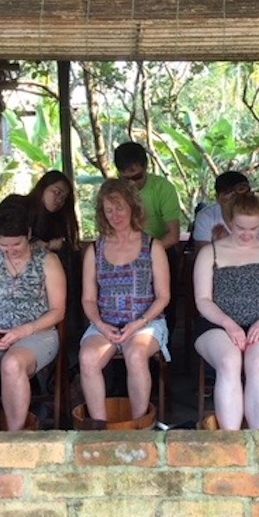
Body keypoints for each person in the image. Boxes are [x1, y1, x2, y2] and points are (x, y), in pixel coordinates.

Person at [0, 199, 66, 433]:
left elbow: (58, 311)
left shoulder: (47, 260)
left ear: (27, 234)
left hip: (37, 333)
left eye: (16, 243)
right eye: (4, 245)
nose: (10, 250)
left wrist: (24, 330)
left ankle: (14, 436)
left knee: (13, 364)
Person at [193, 192, 259, 430]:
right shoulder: (209, 252)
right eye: (240, 228)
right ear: (229, 221)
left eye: (253, 228)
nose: (247, 234)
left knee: (258, 363)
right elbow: (203, 300)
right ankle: (230, 439)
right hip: (217, 323)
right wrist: (228, 324)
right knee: (229, 361)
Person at [78, 179, 171, 425]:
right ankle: (99, 427)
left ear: (132, 207)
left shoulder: (152, 246)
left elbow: (163, 296)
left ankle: (139, 426)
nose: (115, 215)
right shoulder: (95, 250)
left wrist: (138, 323)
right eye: (109, 210)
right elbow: (88, 298)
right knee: (87, 358)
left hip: (146, 322)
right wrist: (100, 324)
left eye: (120, 208)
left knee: (136, 354)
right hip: (105, 324)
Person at [114, 142, 181, 334]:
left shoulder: (163, 188)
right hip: (122, 255)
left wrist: (145, 252)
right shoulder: (114, 192)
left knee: (165, 307)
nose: (132, 184)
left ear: (146, 167)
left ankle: (164, 347)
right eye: (126, 179)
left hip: (160, 252)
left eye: (136, 177)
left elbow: (173, 235)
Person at [0, 170, 80, 254]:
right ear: (43, 187)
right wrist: (44, 246)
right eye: (57, 192)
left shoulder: (57, 220)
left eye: (64, 198)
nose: (59, 200)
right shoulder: (15, 204)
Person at [192, 170, 259, 250]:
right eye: (229, 195)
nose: (234, 201)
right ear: (218, 198)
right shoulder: (206, 217)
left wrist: (223, 245)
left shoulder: (258, 215)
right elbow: (202, 255)